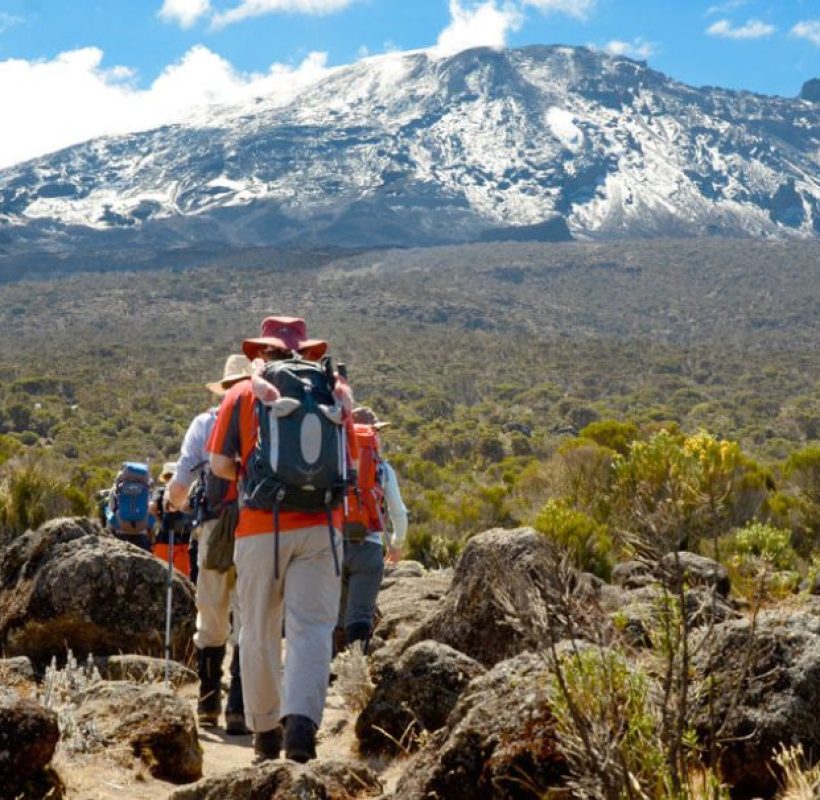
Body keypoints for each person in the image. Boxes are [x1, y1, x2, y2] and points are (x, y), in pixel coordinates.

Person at [207, 315, 353, 764]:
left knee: (257, 629)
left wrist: (253, 476)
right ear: (306, 351)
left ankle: (266, 732)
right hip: (322, 527)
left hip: (261, 527)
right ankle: (302, 732)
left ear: (261, 353)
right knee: (311, 629)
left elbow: (217, 464)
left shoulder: (240, 393)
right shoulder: (330, 390)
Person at [165, 354, 253, 734]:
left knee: (212, 614)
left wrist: (171, 503)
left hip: (214, 529)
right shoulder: (263, 419)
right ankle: (239, 708)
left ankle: (207, 703)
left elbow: (181, 481)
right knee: (249, 617)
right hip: (257, 529)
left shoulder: (205, 424)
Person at [337, 406, 408, 652]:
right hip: (369, 549)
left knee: (336, 615)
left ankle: (331, 675)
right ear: (373, 433)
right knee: (360, 615)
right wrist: (396, 544)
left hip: (333, 546)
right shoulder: (382, 468)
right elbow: (399, 513)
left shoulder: (334, 461)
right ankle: (356, 672)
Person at [151, 462, 193, 579]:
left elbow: (152, 507)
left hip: (164, 541)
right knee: (183, 579)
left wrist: (158, 519)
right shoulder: (187, 491)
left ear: (165, 476)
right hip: (184, 542)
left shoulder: (161, 490)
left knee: (161, 578)